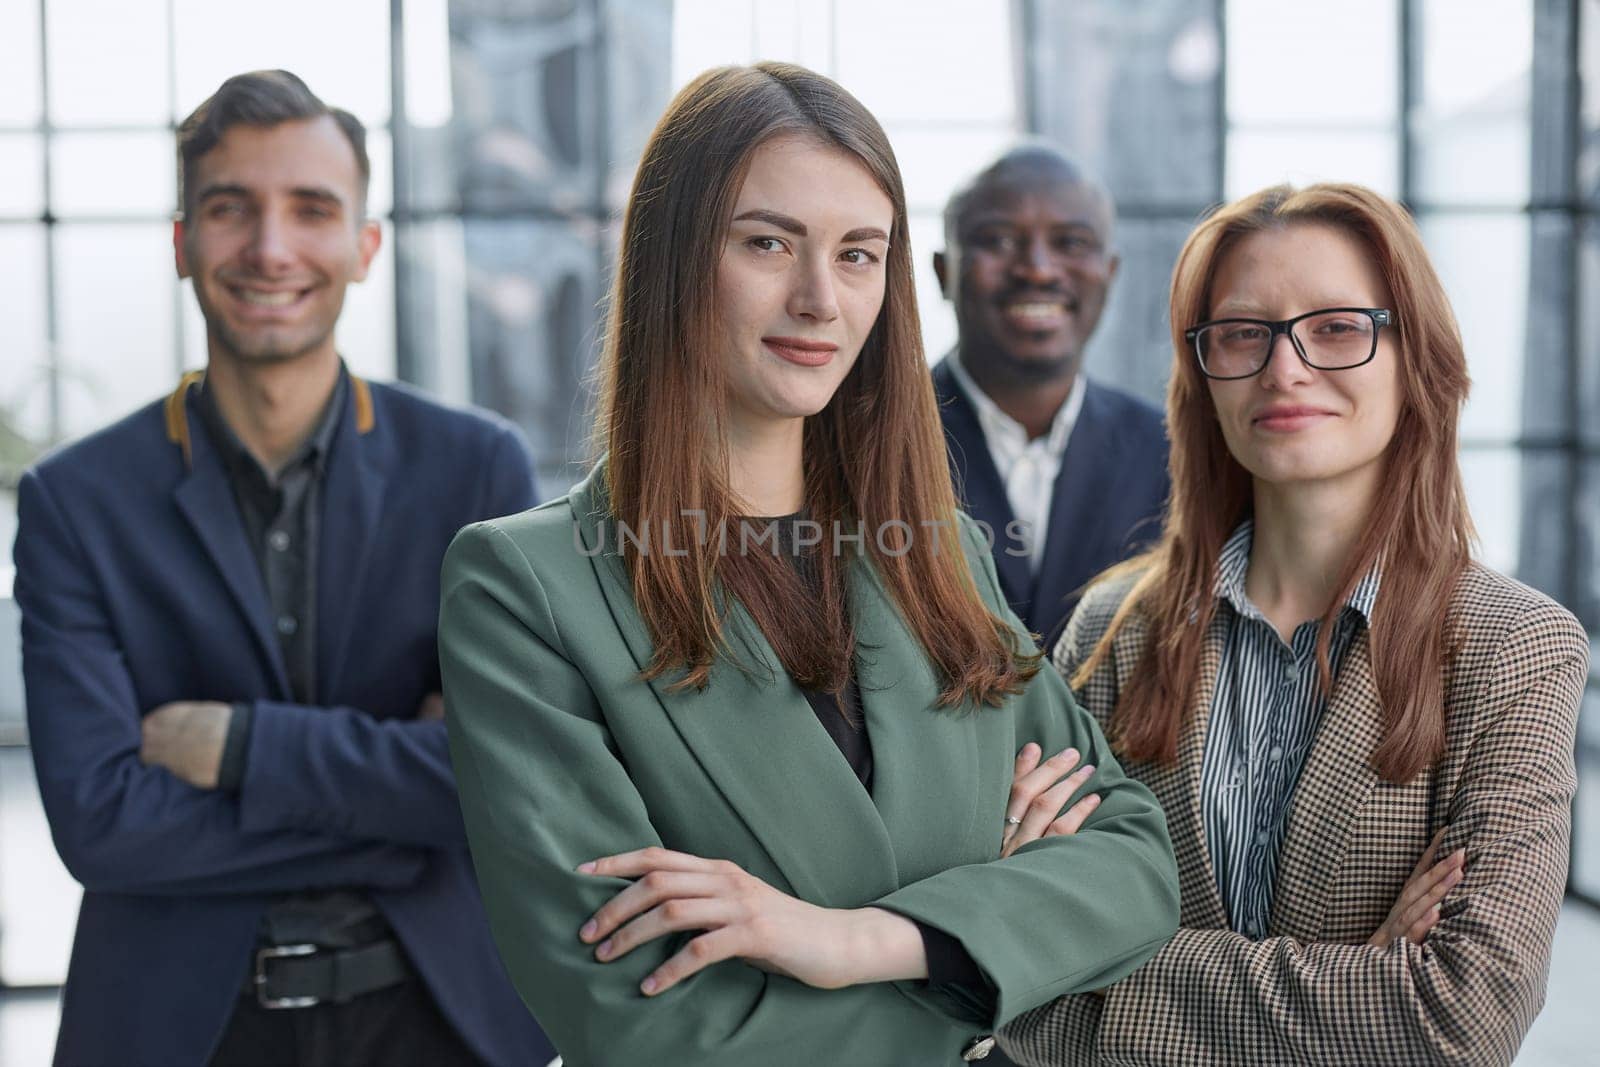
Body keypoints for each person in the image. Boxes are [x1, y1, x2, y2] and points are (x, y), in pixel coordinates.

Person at [438, 62, 1180, 1067]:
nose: (819, 298)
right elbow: (642, 1018)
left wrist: (845, 942)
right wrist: (985, 964)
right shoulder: (529, 585)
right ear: (671, 258)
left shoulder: (942, 557)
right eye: (766, 242)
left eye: (859, 253)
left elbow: (1135, 864)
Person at [13, 70, 553, 1066]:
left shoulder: (475, 467)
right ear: (182, 243)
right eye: (230, 209)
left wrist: (242, 749)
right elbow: (102, 824)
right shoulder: (74, 503)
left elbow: (509, 781)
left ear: (365, 245)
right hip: (179, 1029)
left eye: (311, 210)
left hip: (444, 1020)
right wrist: (403, 814)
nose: (270, 248)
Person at [998, 183, 1588, 1067]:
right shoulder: (1112, 632)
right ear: (1203, 374)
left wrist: (1098, 972)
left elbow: (1464, 1018)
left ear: (1413, 356)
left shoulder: (1514, 649)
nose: (1285, 368)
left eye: (1338, 327)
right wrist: (1362, 983)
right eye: (1244, 333)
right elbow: (1020, 989)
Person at [931, 145, 1168, 650]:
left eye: (1070, 242)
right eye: (997, 240)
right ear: (942, 272)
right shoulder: (867, 438)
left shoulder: (1169, 453)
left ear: (1110, 273)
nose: (1037, 270)